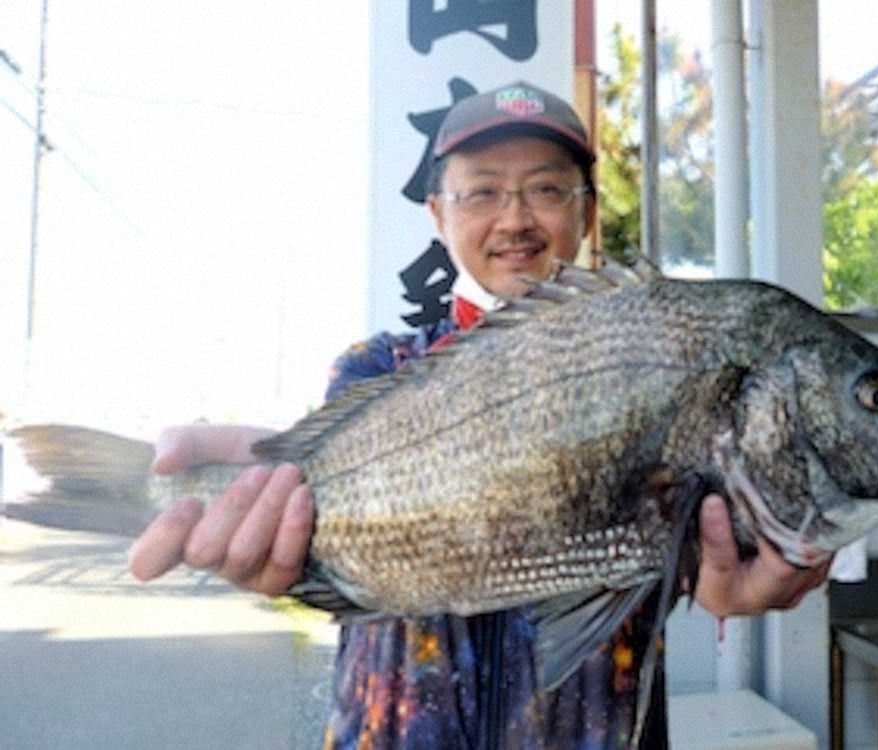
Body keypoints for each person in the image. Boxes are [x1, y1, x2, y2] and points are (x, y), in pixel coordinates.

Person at [128, 81, 831, 749]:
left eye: (547, 189)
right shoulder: (378, 368)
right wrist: (265, 515)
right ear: (439, 214)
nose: (516, 218)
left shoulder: (662, 363)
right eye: (483, 192)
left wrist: (725, 581)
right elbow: (343, 567)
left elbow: (691, 554)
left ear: (586, 211)